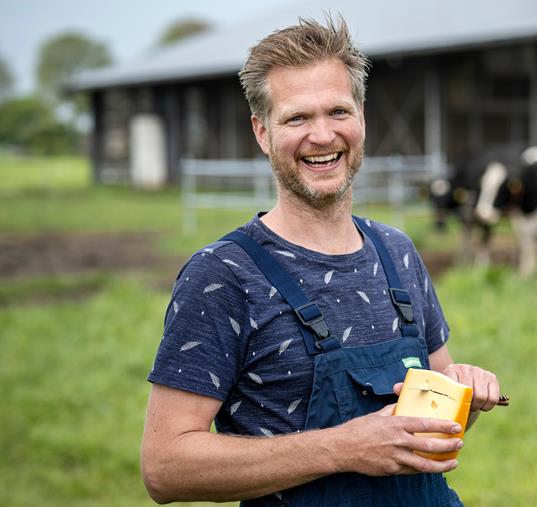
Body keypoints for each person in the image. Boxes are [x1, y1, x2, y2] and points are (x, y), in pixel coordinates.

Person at [140, 15, 501, 507]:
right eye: (297, 118)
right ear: (262, 132)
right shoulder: (223, 275)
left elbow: (435, 424)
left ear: (362, 118)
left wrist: (466, 394)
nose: (322, 135)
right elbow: (165, 468)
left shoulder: (397, 252)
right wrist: (342, 448)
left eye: (337, 111)